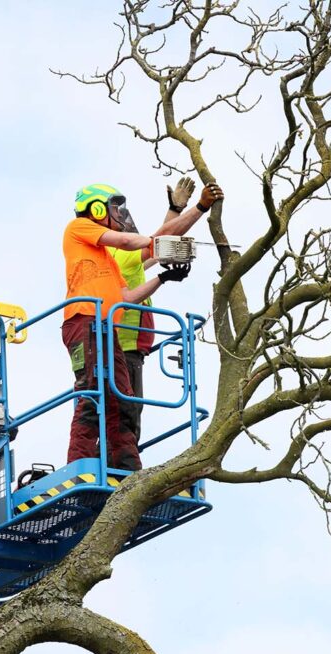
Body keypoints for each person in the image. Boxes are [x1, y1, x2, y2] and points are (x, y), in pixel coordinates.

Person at [62, 183, 191, 471]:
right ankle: (79, 464)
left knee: (123, 397)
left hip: (107, 331)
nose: (118, 215)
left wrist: (163, 278)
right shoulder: (78, 227)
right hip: (84, 322)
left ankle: (125, 465)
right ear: (96, 208)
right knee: (93, 393)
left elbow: (127, 297)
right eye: (113, 208)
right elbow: (126, 241)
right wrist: (157, 242)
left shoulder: (106, 258)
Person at [107, 178, 225, 441]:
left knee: (123, 408)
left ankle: (120, 457)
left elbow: (157, 247)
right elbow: (162, 240)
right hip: (125, 349)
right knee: (128, 409)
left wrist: (175, 210)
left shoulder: (120, 261)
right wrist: (200, 207)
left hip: (127, 348)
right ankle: (124, 463)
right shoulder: (121, 254)